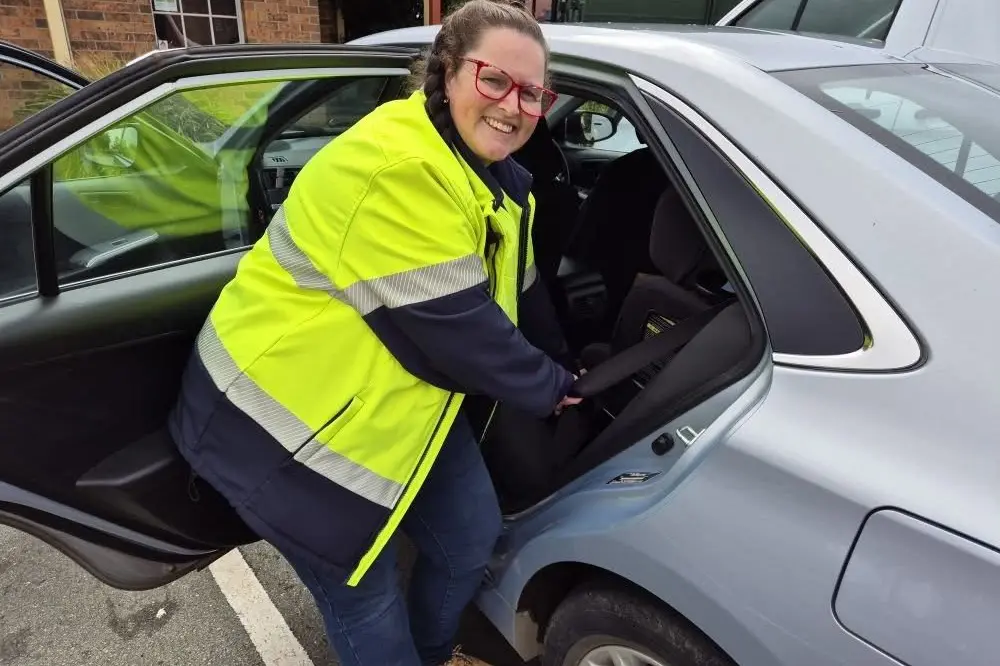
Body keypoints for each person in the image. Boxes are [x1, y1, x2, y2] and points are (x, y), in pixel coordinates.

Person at [167, 1, 581, 664]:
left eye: (533, 93)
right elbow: (458, 328)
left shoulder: (500, 181)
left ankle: (435, 654)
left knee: (469, 540)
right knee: (365, 592)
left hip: (391, 405)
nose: (515, 105)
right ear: (446, 73)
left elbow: (522, 292)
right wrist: (551, 387)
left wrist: (565, 358)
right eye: (495, 80)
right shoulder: (396, 169)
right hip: (287, 423)